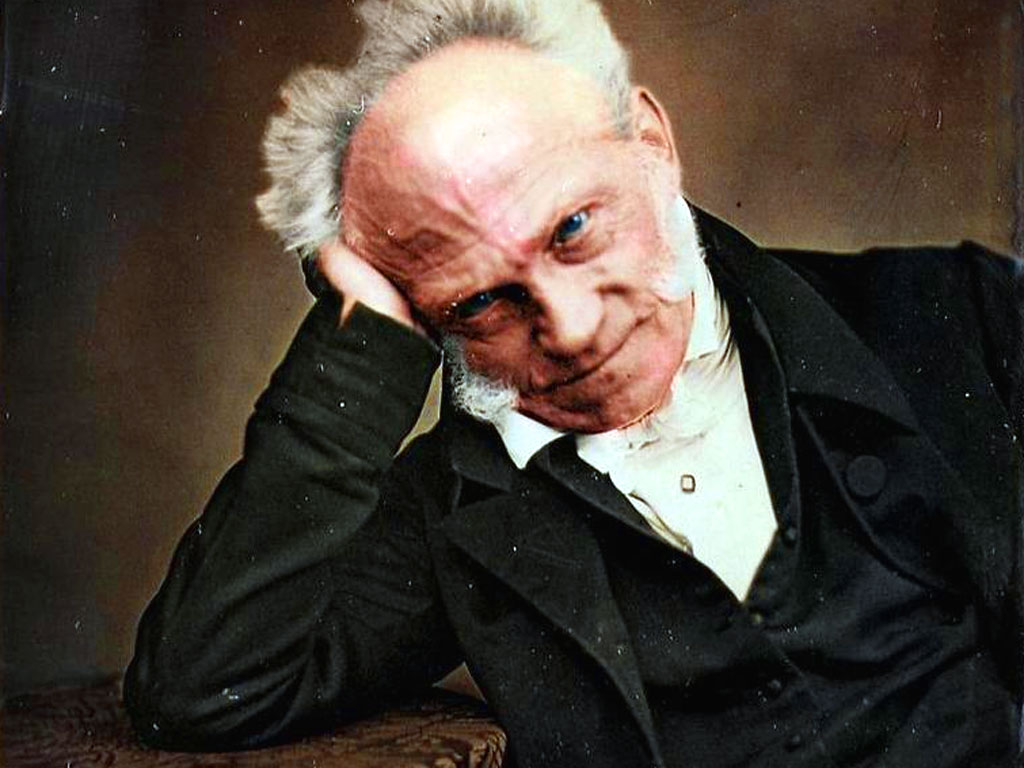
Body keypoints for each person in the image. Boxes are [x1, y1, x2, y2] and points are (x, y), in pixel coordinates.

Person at [124, 1, 1024, 765]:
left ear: (650, 146)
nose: (572, 326)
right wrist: (365, 329)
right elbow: (202, 689)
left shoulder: (963, 316)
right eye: (481, 299)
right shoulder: (453, 508)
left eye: (573, 229)